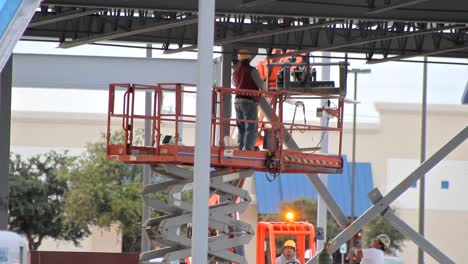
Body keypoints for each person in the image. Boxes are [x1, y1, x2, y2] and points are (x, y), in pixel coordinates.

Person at [233, 48, 265, 151]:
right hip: (248, 101)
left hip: (237, 101)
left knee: (241, 127)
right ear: (249, 59)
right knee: (251, 127)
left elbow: (234, 84)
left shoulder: (236, 72)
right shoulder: (252, 71)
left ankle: (240, 147)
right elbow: (262, 85)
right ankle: (248, 150)